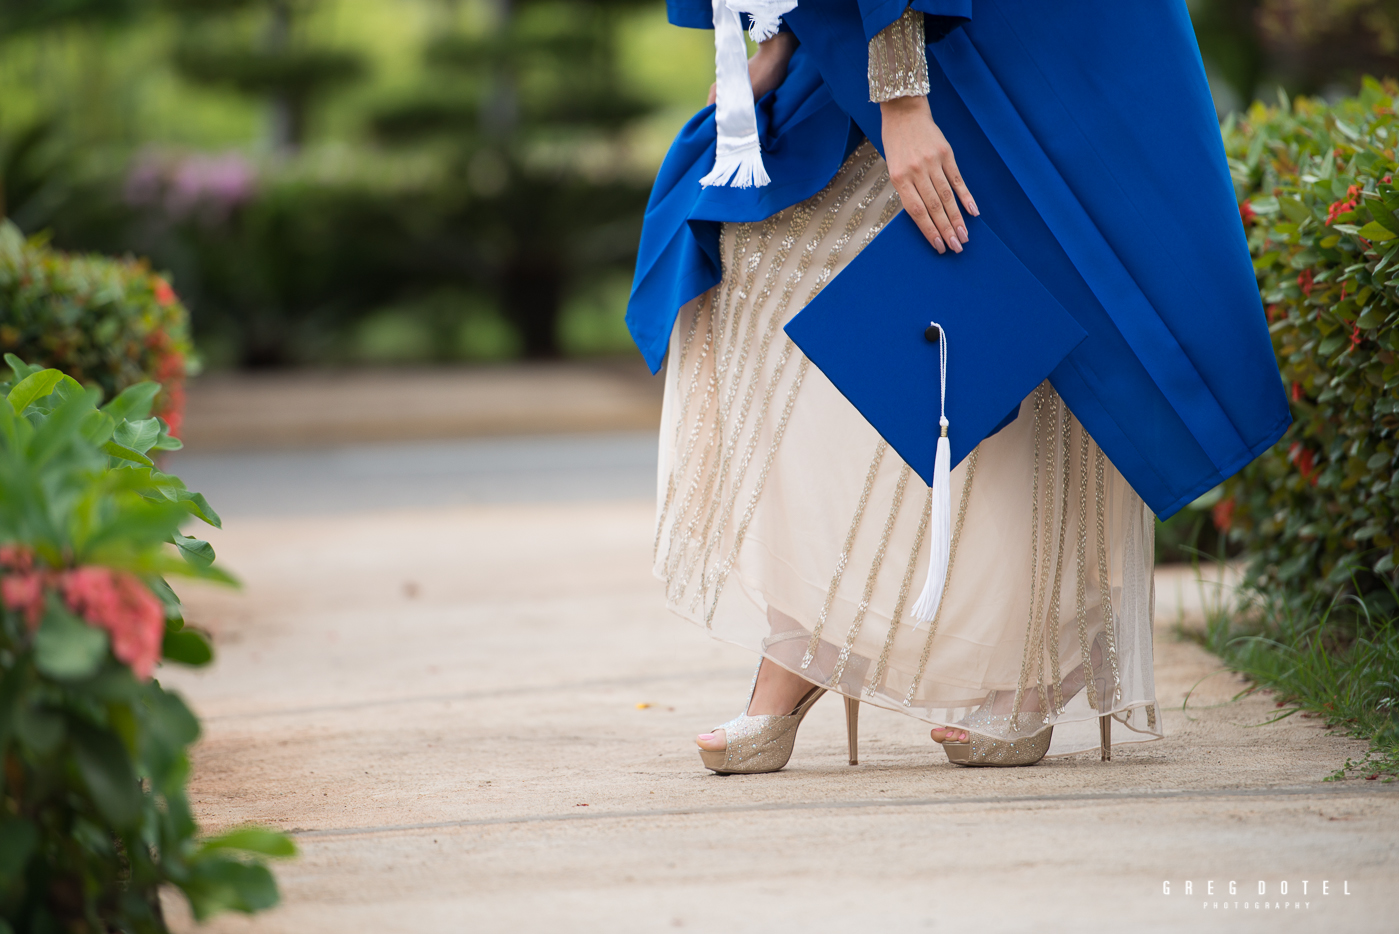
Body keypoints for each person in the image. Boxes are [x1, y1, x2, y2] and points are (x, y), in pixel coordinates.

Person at [627, 0, 1290, 773]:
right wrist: (769, 34)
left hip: (1020, 25)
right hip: (863, 21)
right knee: (765, 257)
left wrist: (904, 101)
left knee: (1035, 284)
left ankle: (1028, 657)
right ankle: (805, 635)